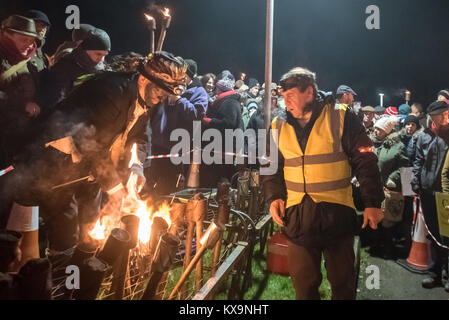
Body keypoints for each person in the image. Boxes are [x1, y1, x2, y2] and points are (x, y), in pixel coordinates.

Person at [0, 51, 187, 257]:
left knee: (88, 224)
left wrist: (136, 166)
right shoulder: (112, 92)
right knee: (54, 222)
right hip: (56, 159)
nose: (161, 100)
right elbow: (91, 144)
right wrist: (115, 187)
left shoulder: (145, 98)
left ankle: (77, 266)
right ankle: (32, 268)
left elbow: (141, 136)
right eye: (161, 93)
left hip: (88, 169)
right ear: (144, 79)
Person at [261, 67, 384, 300]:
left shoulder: (340, 116)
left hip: (337, 219)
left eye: (290, 96)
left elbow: (365, 159)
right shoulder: (278, 125)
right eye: (283, 97)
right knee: (304, 288)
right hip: (298, 220)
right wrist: (273, 196)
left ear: (309, 92)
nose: (285, 103)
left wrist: (372, 202)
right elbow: (270, 165)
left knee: (343, 286)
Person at [144, 58, 208, 195]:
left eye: (181, 75)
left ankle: (165, 209)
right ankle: (150, 207)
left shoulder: (199, 92)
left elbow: (197, 115)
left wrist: (179, 100)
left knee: (170, 184)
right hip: (157, 143)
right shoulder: (170, 85)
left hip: (177, 145)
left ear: (188, 76)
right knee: (150, 180)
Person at [412, 101, 449, 289]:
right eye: (437, 117)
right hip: (427, 192)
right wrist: (416, 183)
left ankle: (447, 275)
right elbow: (418, 161)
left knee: (447, 235)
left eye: (443, 116)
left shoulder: (447, 135)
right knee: (433, 234)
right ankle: (434, 273)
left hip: (444, 194)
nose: (441, 120)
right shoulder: (423, 136)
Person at [0, 15, 40, 168]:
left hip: (22, 131)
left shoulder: (31, 59)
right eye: (24, 39)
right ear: (6, 34)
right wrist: (22, 105)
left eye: (31, 41)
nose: (28, 45)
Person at [38, 28, 111, 111]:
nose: (101, 59)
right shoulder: (64, 67)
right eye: (98, 54)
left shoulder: (100, 68)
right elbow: (55, 103)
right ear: (85, 49)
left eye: (105, 55)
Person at [370, 117, 410, 258]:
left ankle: (388, 249)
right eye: (374, 128)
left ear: (387, 131)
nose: (375, 131)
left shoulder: (397, 146)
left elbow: (405, 166)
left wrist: (393, 177)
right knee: (374, 217)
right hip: (374, 189)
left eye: (379, 129)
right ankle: (375, 246)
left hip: (389, 189)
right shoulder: (373, 144)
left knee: (388, 220)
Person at [200, 70, 244, 187]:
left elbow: (228, 123)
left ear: (221, 88)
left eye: (217, 88)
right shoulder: (225, 101)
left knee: (222, 177)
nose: (215, 90)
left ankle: (223, 200)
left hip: (225, 148)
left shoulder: (230, 102)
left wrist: (207, 121)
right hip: (222, 147)